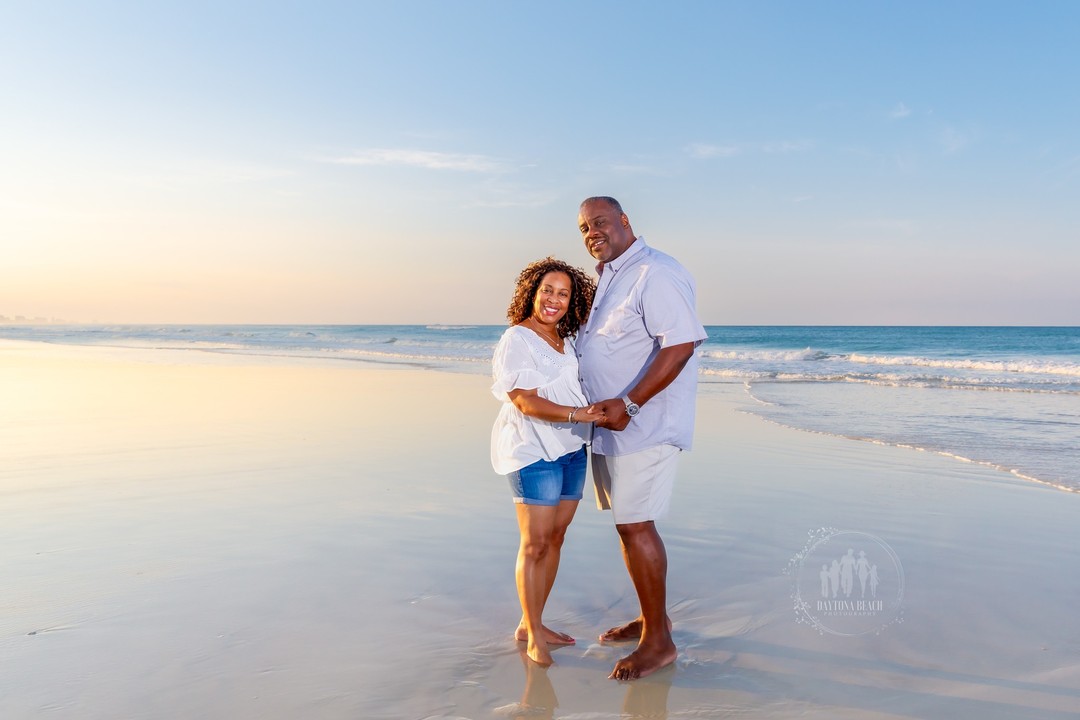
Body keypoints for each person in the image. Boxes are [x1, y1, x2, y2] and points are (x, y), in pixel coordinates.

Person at [575, 196, 707, 681]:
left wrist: (630, 404)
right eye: (584, 227)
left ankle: (659, 643)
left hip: (645, 424)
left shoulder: (656, 272)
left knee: (636, 525)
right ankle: (655, 619)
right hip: (612, 426)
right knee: (629, 525)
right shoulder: (610, 278)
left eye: (600, 222)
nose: (592, 232)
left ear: (625, 221)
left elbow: (681, 344)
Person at [491, 257, 604, 667]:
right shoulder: (517, 339)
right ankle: (534, 634)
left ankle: (531, 623)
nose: (554, 300)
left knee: (555, 538)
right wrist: (577, 414)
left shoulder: (566, 340)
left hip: (572, 450)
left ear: (572, 301)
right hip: (533, 451)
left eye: (563, 294)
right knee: (535, 543)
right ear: (532, 293)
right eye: (547, 291)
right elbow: (524, 400)